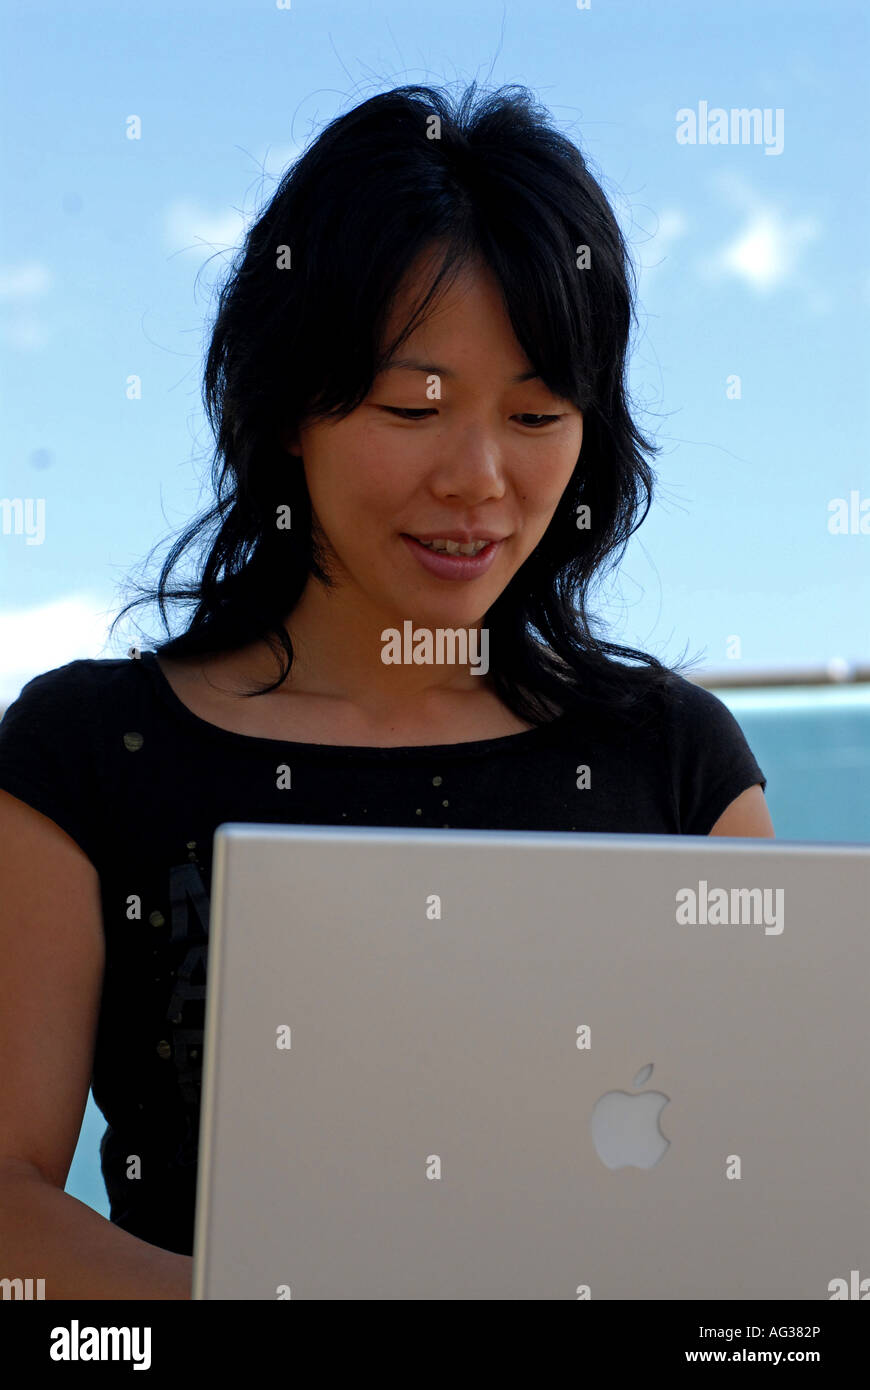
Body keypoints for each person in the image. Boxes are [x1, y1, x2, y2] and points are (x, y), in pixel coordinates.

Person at [0, 81, 773, 1301]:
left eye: (535, 413)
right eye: (414, 405)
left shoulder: (677, 760)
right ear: (288, 403)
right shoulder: (90, 750)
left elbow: (766, 1189)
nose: (479, 477)